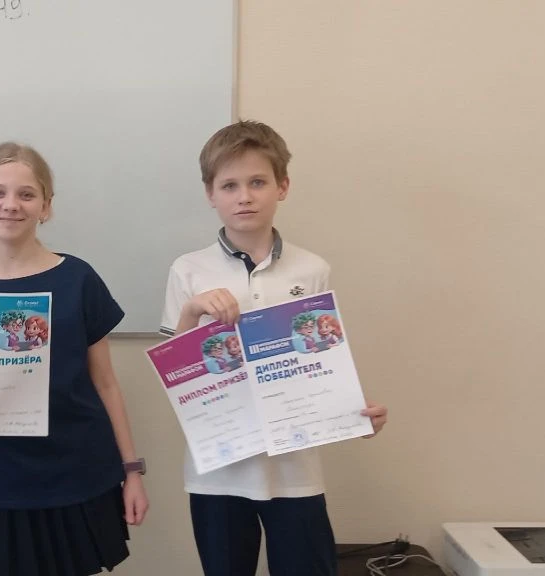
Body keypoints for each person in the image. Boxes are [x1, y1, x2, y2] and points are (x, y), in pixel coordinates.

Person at [159, 120, 389, 576]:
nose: (244, 196)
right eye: (230, 185)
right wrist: (192, 311)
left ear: (282, 186)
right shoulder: (188, 270)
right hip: (219, 469)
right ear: (210, 194)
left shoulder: (313, 269)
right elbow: (176, 380)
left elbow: (322, 363)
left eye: (258, 182)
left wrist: (353, 414)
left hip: (294, 469)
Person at [0, 141, 149, 576]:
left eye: (26, 194)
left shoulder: (79, 279)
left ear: (46, 206)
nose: (11, 204)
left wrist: (132, 470)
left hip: (79, 473)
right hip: (0, 478)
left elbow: (105, 384)